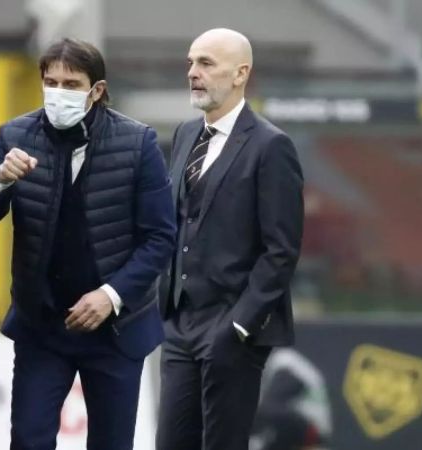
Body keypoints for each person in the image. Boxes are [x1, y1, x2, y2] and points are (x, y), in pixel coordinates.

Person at [0, 38, 176, 450]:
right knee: (29, 441)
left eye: (71, 84)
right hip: (43, 325)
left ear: (96, 90)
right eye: (51, 82)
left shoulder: (138, 143)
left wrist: (111, 296)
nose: (59, 92)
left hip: (116, 329)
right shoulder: (15, 134)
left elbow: (160, 238)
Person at [155, 28, 305, 450]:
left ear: (240, 74)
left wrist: (239, 325)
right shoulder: (186, 135)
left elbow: (282, 249)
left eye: (206, 63)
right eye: (190, 62)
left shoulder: (272, 146)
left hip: (232, 327)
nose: (193, 73)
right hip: (180, 324)